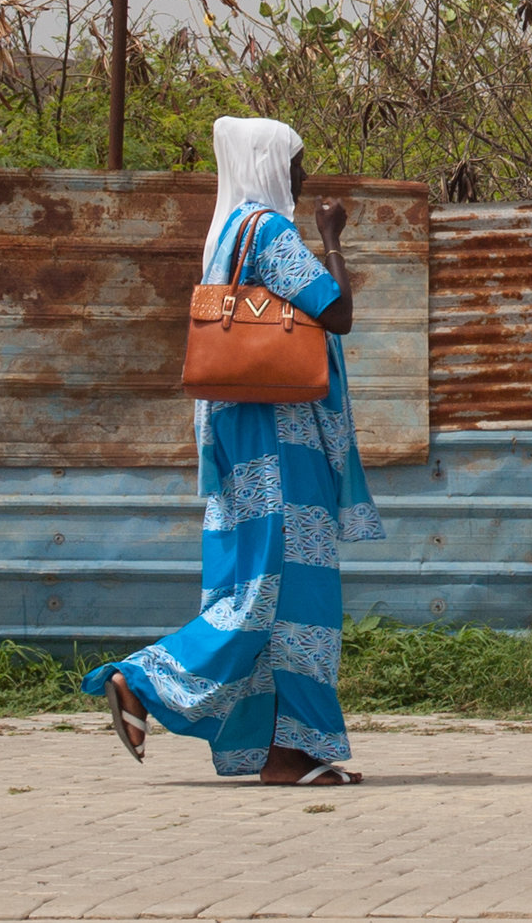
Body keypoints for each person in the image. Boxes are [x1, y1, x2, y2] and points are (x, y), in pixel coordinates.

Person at [82, 116, 384, 784]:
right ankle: (142, 680)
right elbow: (336, 311)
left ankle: (289, 753)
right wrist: (333, 237)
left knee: (279, 595)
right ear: (270, 165)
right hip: (280, 444)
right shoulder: (269, 231)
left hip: (249, 437)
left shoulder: (225, 235)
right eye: (296, 165)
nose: (304, 178)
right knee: (274, 593)